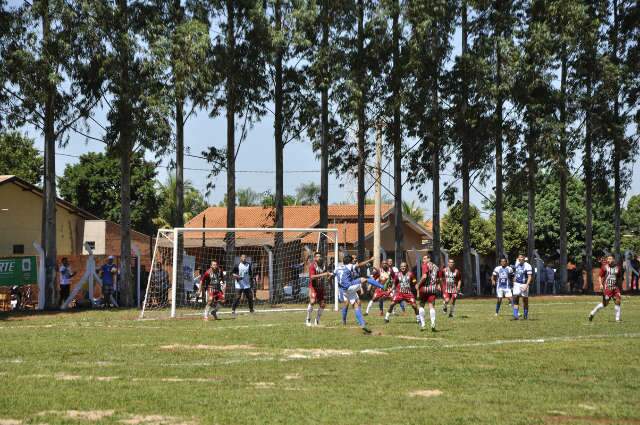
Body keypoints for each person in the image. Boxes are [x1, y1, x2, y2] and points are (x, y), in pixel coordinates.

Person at [336, 254, 373, 334]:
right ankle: (344, 321)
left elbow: (355, 278)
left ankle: (361, 322)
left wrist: (360, 288)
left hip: (351, 287)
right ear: (350, 261)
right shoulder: (351, 267)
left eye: (356, 258)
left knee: (357, 303)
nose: (355, 260)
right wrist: (369, 260)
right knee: (347, 303)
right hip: (346, 289)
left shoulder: (354, 269)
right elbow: (359, 266)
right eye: (354, 259)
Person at [384, 262, 423, 329]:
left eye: (404, 266)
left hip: (408, 293)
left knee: (414, 306)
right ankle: (386, 318)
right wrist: (390, 290)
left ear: (407, 267)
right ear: (400, 267)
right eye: (402, 266)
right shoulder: (397, 275)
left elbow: (415, 284)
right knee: (392, 304)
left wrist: (418, 293)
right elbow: (394, 284)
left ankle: (418, 319)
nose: (403, 267)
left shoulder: (411, 274)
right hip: (399, 293)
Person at [589, 255, 623, 322]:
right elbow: (600, 276)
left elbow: (619, 277)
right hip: (607, 287)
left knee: (618, 301)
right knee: (605, 304)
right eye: (608, 259)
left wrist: (619, 285)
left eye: (610, 259)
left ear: (613, 259)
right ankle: (592, 313)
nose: (608, 260)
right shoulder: (605, 267)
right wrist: (601, 284)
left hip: (615, 287)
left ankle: (617, 319)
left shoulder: (617, 268)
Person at [306, 251, 333, 326]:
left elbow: (327, 274)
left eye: (320, 256)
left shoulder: (324, 266)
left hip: (321, 287)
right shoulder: (312, 266)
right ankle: (308, 319)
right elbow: (312, 277)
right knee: (312, 301)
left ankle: (317, 320)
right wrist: (324, 274)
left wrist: (329, 278)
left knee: (323, 304)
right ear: (314, 258)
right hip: (313, 287)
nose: (319, 257)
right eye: (317, 256)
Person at [418, 254, 440, 331]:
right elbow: (438, 279)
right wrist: (438, 286)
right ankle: (433, 323)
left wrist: (418, 284)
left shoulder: (425, 265)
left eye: (424, 258)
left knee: (421, 305)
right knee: (431, 306)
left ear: (429, 259)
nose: (423, 260)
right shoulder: (436, 267)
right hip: (433, 288)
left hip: (425, 288)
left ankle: (423, 324)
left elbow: (424, 276)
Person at [512, 254, 533, 320]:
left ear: (524, 258)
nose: (520, 258)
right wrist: (514, 282)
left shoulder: (528, 266)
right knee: (515, 298)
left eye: (521, 257)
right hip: (517, 284)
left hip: (524, 284)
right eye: (519, 257)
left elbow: (530, 277)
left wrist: (526, 285)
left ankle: (525, 315)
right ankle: (515, 315)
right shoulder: (517, 264)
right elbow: (516, 273)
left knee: (525, 300)